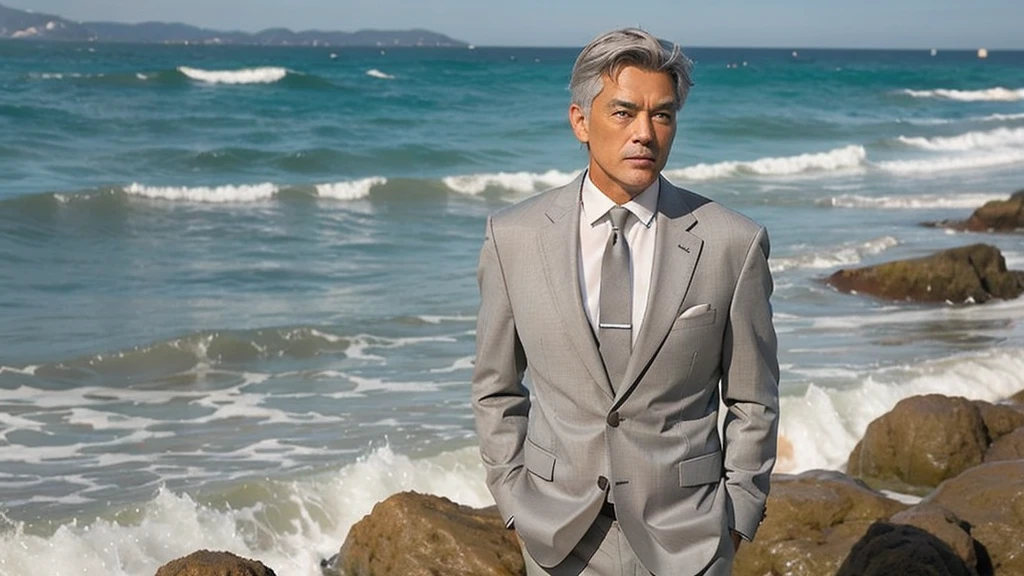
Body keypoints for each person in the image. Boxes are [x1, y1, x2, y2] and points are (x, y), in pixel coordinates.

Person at [471, 28, 778, 576]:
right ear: (580, 122)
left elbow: (754, 398)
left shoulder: (733, 242)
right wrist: (513, 496)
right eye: (623, 113)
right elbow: (495, 387)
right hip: (557, 535)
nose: (645, 133)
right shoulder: (513, 237)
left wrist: (738, 512)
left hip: (690, 537)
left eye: (662, 115)